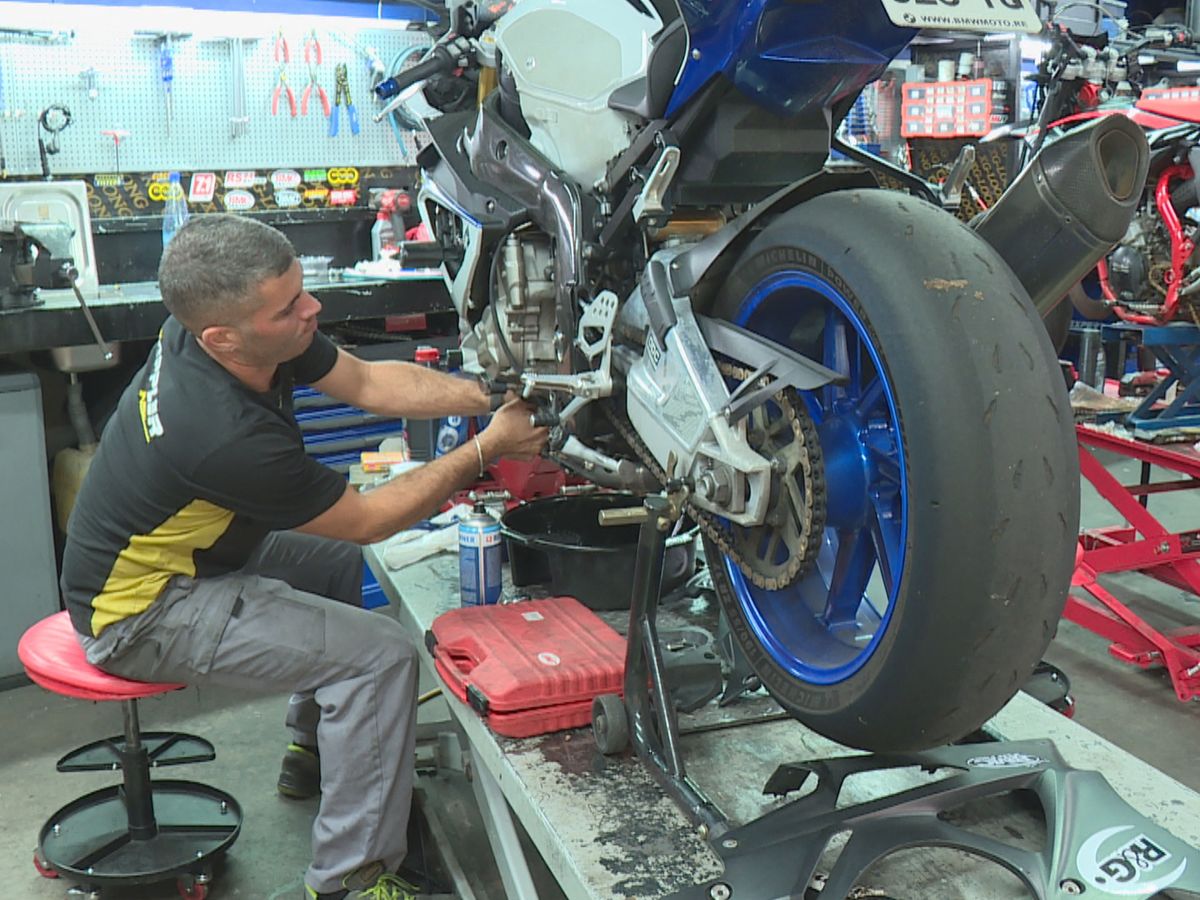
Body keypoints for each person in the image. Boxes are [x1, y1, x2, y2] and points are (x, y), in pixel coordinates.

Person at [59, 214, 549, 900]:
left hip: (185, 556)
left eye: (302, 290)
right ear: (222, 335)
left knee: (333, 570)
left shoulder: (224, 336)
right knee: (379, 657)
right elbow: (370, 518)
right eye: (289, 306)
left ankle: (314, 749)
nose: (312, 308)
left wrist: (491, 399)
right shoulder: (221, 434)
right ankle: (351, 878)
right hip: (139, 614)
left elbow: (370, 384)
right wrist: (488, 446)